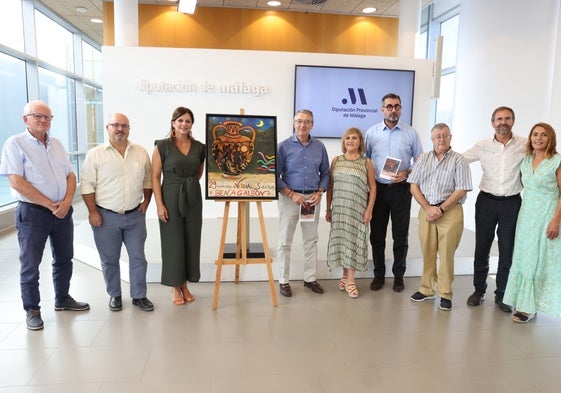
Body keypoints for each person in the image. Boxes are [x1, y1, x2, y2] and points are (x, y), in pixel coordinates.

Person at [0, 100, 89, 330]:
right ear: (25, 119)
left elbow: (70, 175)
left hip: (62, 211)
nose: (43, 120)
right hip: (33, 213)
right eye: (37, 116)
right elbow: (16, 182)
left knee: (64, 258)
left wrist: (67, 202)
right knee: (30, 263)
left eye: (47, 117)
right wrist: (50, 204)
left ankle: (62, 299)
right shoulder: (15, 144)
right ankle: (32, 309)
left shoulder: (57, 144)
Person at [80, 113, 154, 312]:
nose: (120, 129)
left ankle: (139, 296)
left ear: (129, 129)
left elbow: (148, 179)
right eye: (115, 125)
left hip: (134, 216)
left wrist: (146, 202)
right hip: (105, 217)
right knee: (109, 259)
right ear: (108, 128)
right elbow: (87, 184)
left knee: (138, 258)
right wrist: (92, 212)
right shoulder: (95, 154)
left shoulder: (140, 152)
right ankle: (115, 294)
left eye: (124, 125)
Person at [463, 106, 526, 312]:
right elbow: (459, 160)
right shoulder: (482, 145)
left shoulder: (525, 145)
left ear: (513, 122)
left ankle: (502, 295)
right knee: (482, 247)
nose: (503, 122)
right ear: (492, 123)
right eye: (499, 119)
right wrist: (428, 158)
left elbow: (542, 158)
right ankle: (479, 290)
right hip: (486, 202)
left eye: (507, 119)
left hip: (511, 203)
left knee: (507, 250)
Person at [408, 123, 472, 311]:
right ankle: (427, 289)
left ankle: (445, 293)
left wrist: (441, 209)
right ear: (432, 138)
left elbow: (461, 189)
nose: (441, 139)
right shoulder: (423, 159)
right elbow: (413, 185)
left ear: (450, 137)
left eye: (445, 135)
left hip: (450, 212)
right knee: (427, 251)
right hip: (427, 211)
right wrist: (428, 208)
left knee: (446, 254)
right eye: (437, 136)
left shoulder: (459, 160)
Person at [364, 93, 423, 292]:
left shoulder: (411, 133)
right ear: (382, 110)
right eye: (389, 106)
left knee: (400, 235)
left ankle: (399, 276)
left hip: (401, 190)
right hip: (379, 190)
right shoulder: (372, 133)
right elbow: (367, 161)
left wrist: (406, 172)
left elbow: (420, 161)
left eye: (397, 106)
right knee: (377, 236)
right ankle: (378, 275)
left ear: (401, 109)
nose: (393, 110)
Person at [503, 123, 561, 323]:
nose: (538, 138)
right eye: (535, 134)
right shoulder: (526, 160)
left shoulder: (557, 161)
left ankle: (531, 306)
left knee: (541, 260)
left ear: (550, 138)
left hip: (548, 214)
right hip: (527, 215)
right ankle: (523, 303)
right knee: (524, 257)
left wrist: (556, 221)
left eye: (543, 135)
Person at [152, 107, 205, 305]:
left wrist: (188, 184)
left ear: (192, 124)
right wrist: (159, 204)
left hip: (193, 196)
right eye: (180, 120)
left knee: (191, 240)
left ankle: (185, 284)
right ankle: (176, 286)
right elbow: (155, 177)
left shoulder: (200, 147)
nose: (184, 124)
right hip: (170, 196)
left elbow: (198, 174)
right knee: (173, 243)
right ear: (173, 122)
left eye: (188, 121)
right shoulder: (162, 146)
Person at [276, 109, 330, 297]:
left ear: (312, 124)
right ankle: (283, 281)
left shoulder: (319, 147)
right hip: (290, 199)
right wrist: (291, 194)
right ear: (293, 123)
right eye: (299, 121)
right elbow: (275, 176)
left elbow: (326, 173)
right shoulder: (283, 147)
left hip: (311, 200)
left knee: (310, 240)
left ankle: (310, 278)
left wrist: (320, 192)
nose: (302, 125)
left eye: (307, 121)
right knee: (285, 242)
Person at [325, 128, 376, 298]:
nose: (351, 141)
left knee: (353, 241)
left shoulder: (366, 162)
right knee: (342, 241)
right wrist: (328, 208)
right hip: (339, 209)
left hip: (357, 210)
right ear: (343, 142)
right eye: (347, 138)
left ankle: (351, 281)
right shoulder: (336, 161)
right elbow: (330, 186)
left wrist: (369, 210)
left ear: (360, 141)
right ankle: (345, 276)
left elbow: (373, 187)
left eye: (354, 138)